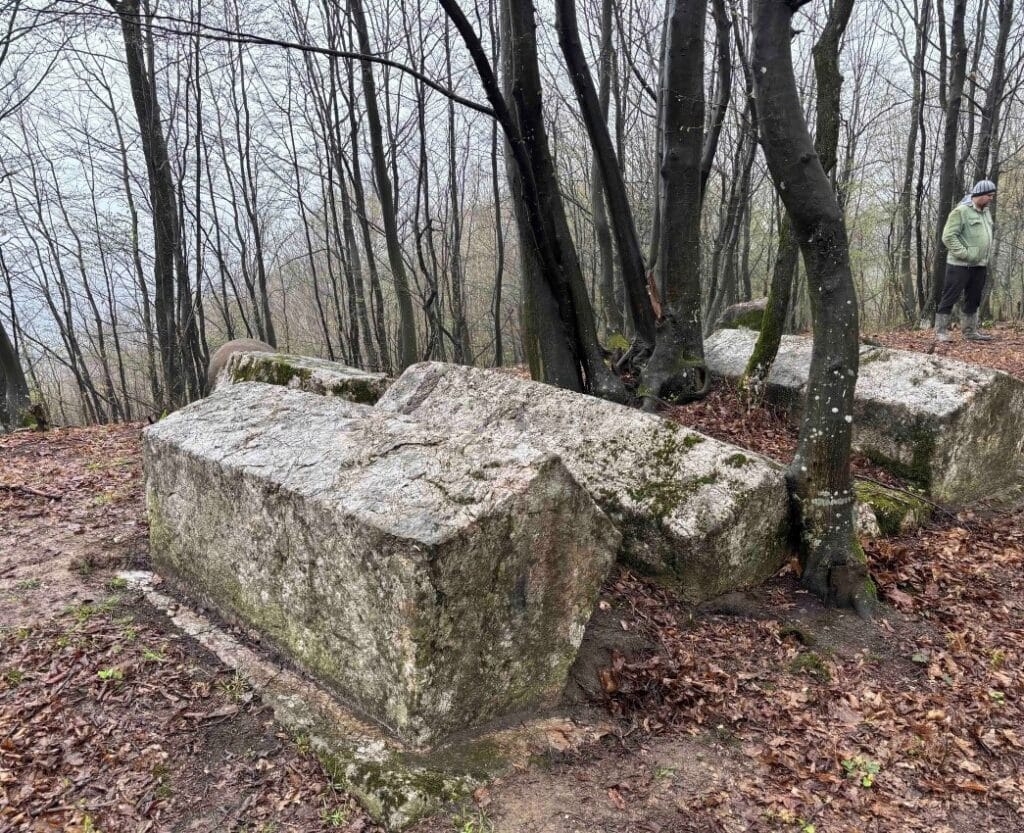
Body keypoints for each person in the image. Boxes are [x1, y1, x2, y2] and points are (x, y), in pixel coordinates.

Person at [934, 179, 997, 342]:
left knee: (974, 298)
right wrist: (966, 254)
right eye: (989, 195)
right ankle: (940, 332)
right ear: (980, 194)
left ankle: (970, 332)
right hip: (959, 265)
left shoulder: (985, 212)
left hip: (980, 265)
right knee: (950, 296)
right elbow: (948, 237)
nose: (991, 198)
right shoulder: (961, 211)